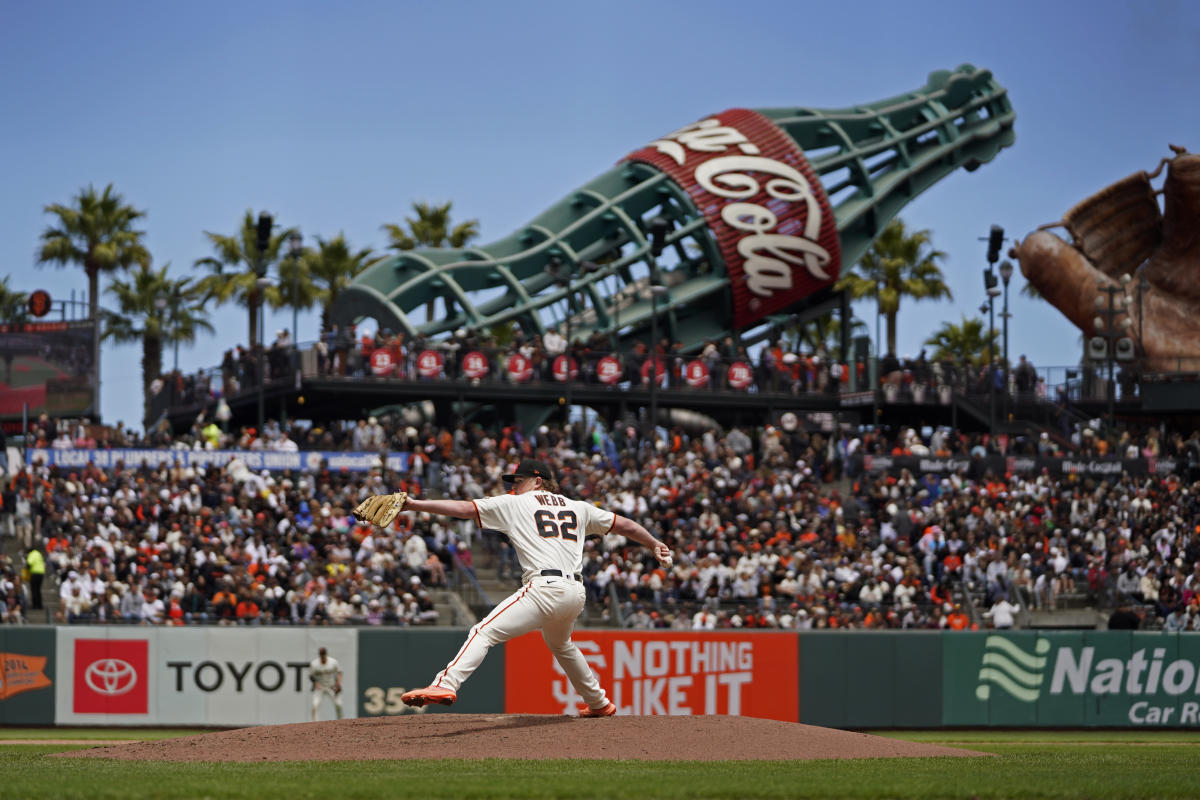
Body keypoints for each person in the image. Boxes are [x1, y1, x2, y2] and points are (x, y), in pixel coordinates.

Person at [392, 458, 672, 716]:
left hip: (545, 588)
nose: (514, 486)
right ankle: (598, 702)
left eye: (519, 480)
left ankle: (444, 683)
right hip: (575, 593)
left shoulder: (516, 503)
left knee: (483, 631)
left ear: (538, 481)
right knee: (561, 644)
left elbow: (466, 509)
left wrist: (415, 504)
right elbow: (624, 525)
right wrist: (654, 543)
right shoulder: (578, 507)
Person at [309, 646, 344, 721]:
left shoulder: (333, 662)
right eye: (321, 655)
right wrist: (316, 683)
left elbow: (339, 672)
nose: (322, 656)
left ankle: (341, 721)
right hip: (320, 687)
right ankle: (314, 724)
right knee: (315, 705)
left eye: (324, 654)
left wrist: (338, 684)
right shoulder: (314, 664)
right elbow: (311, 676)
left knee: (338, 704)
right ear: (319, 655)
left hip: (331, 686)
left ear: (326, 654)